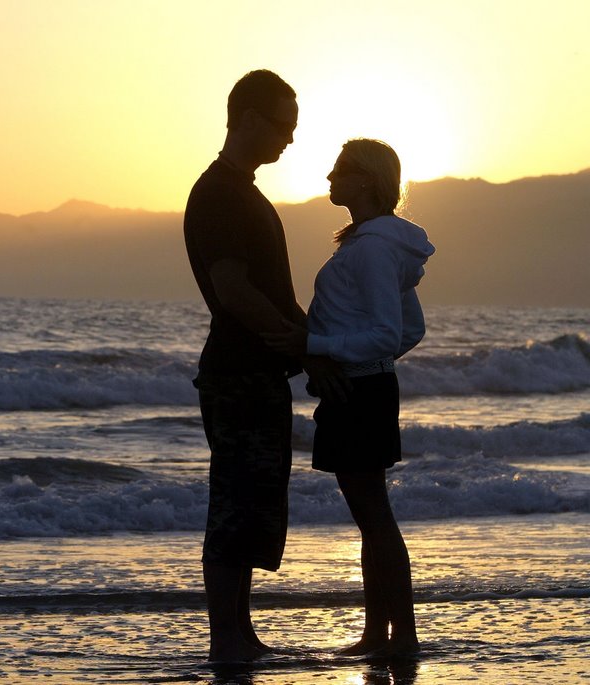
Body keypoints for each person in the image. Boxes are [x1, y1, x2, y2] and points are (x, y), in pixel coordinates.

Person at [183, 69, 346, 663]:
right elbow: (235, 292)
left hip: (257, 375)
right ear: (248, 119)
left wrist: (313, 341)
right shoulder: (220, 194)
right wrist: (302, 346)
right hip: (237, 376)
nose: (291, 139)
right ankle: (226, 639)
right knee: (233, 507)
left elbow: (272, 293)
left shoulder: (243, 191)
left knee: (252, 506)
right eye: (283, 125)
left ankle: (240, 636)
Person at [267, 138, 434, 657]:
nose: (329, 177)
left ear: (366, 180)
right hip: (363, 386)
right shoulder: (371, 244)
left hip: (361, 392)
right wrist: (351, 359)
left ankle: (400, 637)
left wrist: (320, 347)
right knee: (370, 514)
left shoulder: (375, 249)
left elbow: (389, 333)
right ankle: (377, 634)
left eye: (340, 170)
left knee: (374, 515)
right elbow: (409, 330)